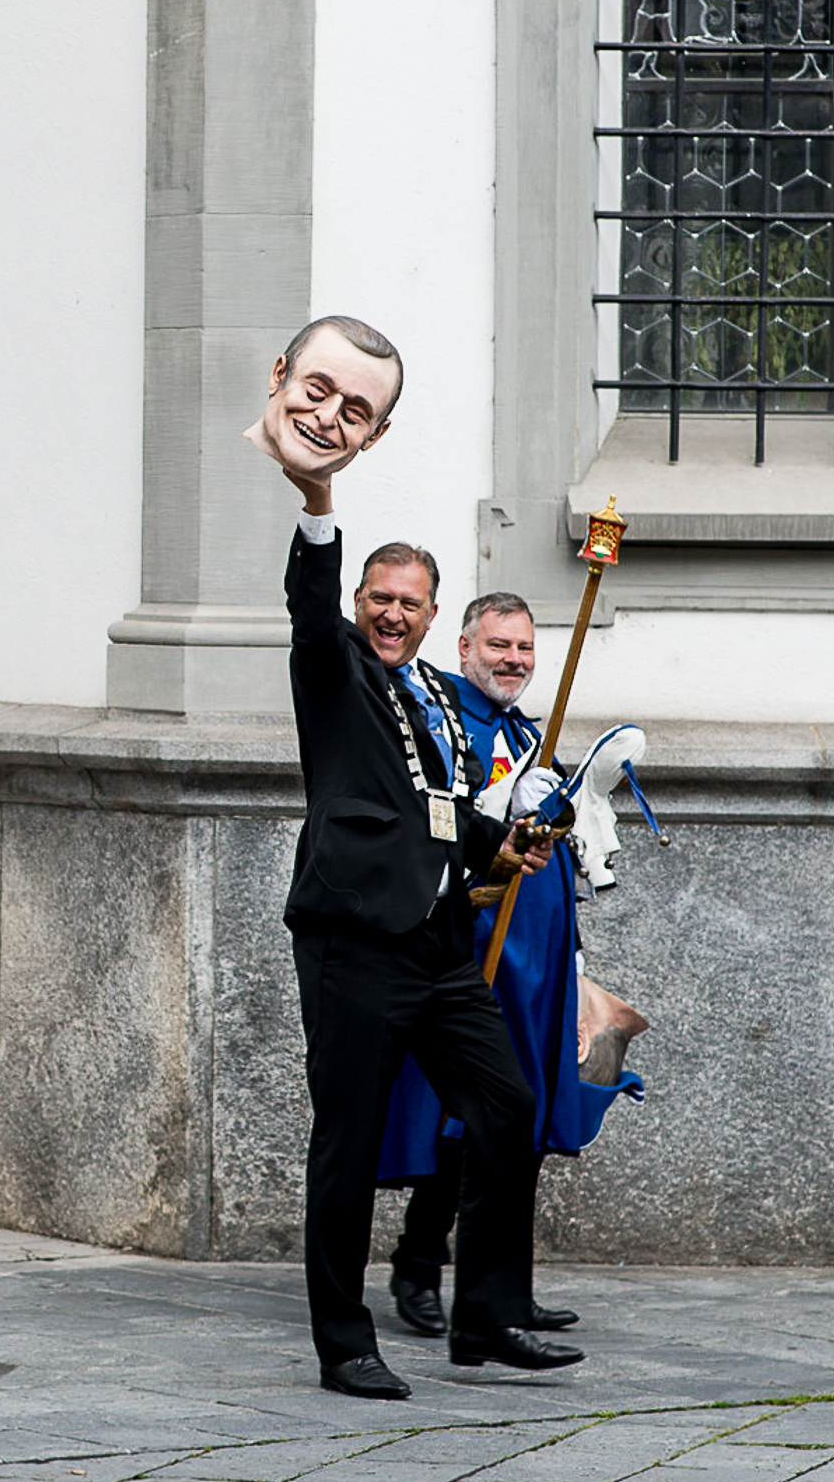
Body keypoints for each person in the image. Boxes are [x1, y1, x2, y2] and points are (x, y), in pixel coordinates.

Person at [251, 314, 577, 1402]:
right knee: (346, 1146)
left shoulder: (429, 698)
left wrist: (512, 835)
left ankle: (486, 1317)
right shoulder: (333, 668)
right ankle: (345, 1339)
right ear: (359, 607)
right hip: (352, 944)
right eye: (377, 600)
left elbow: (438, 810)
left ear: (432, 617)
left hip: (438, 946)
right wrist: (317, 502)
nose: (391, 614)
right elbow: (308, 605)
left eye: (409, 604)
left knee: (508, 1107)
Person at [376, 592, 645, 1343]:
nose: (513, 660)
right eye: (498, 646)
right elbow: (441, 816)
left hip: (538, 956)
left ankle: (503, 1291)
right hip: (470, 945)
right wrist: (501, 798)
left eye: (524, 649)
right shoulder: (438, 723)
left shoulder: (533, 733)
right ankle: (419, 1265)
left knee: (517, 1117)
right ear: (464, 648)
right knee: (458, 1116)